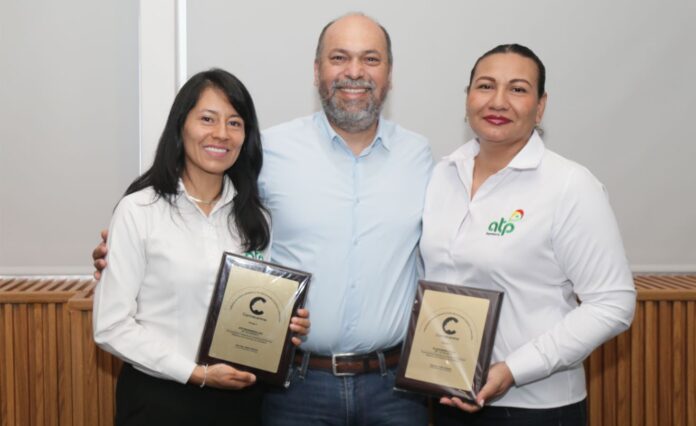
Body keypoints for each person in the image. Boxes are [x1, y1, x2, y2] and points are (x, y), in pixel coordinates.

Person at [94, 13, 432, 426]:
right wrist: (118, 252)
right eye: (339, 57)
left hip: (392, 387)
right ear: (317, 71)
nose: (355, 72)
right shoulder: (269, 153)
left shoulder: (421, 158)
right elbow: (187, 209)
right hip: (296, 388)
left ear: (390, 74)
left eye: (371, 59)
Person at [420, 44, 636, 425]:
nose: (498, 101)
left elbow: (613, 304)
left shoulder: (569, 185)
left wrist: (513, 370)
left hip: (536, 407)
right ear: (468, 97)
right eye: (485, 86)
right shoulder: (442, 175)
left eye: (517, 89)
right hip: (449, 397)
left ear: (540, 107)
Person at [92, 69, 309, 426]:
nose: (221, 133)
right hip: (158, 401)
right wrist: (196, 373)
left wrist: (284, 325)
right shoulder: (139, 210)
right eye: (207, 119)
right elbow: (110, 326)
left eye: (234, 123)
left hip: (241, 403)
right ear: (181, 125)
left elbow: (254, 310)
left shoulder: (256, 219)